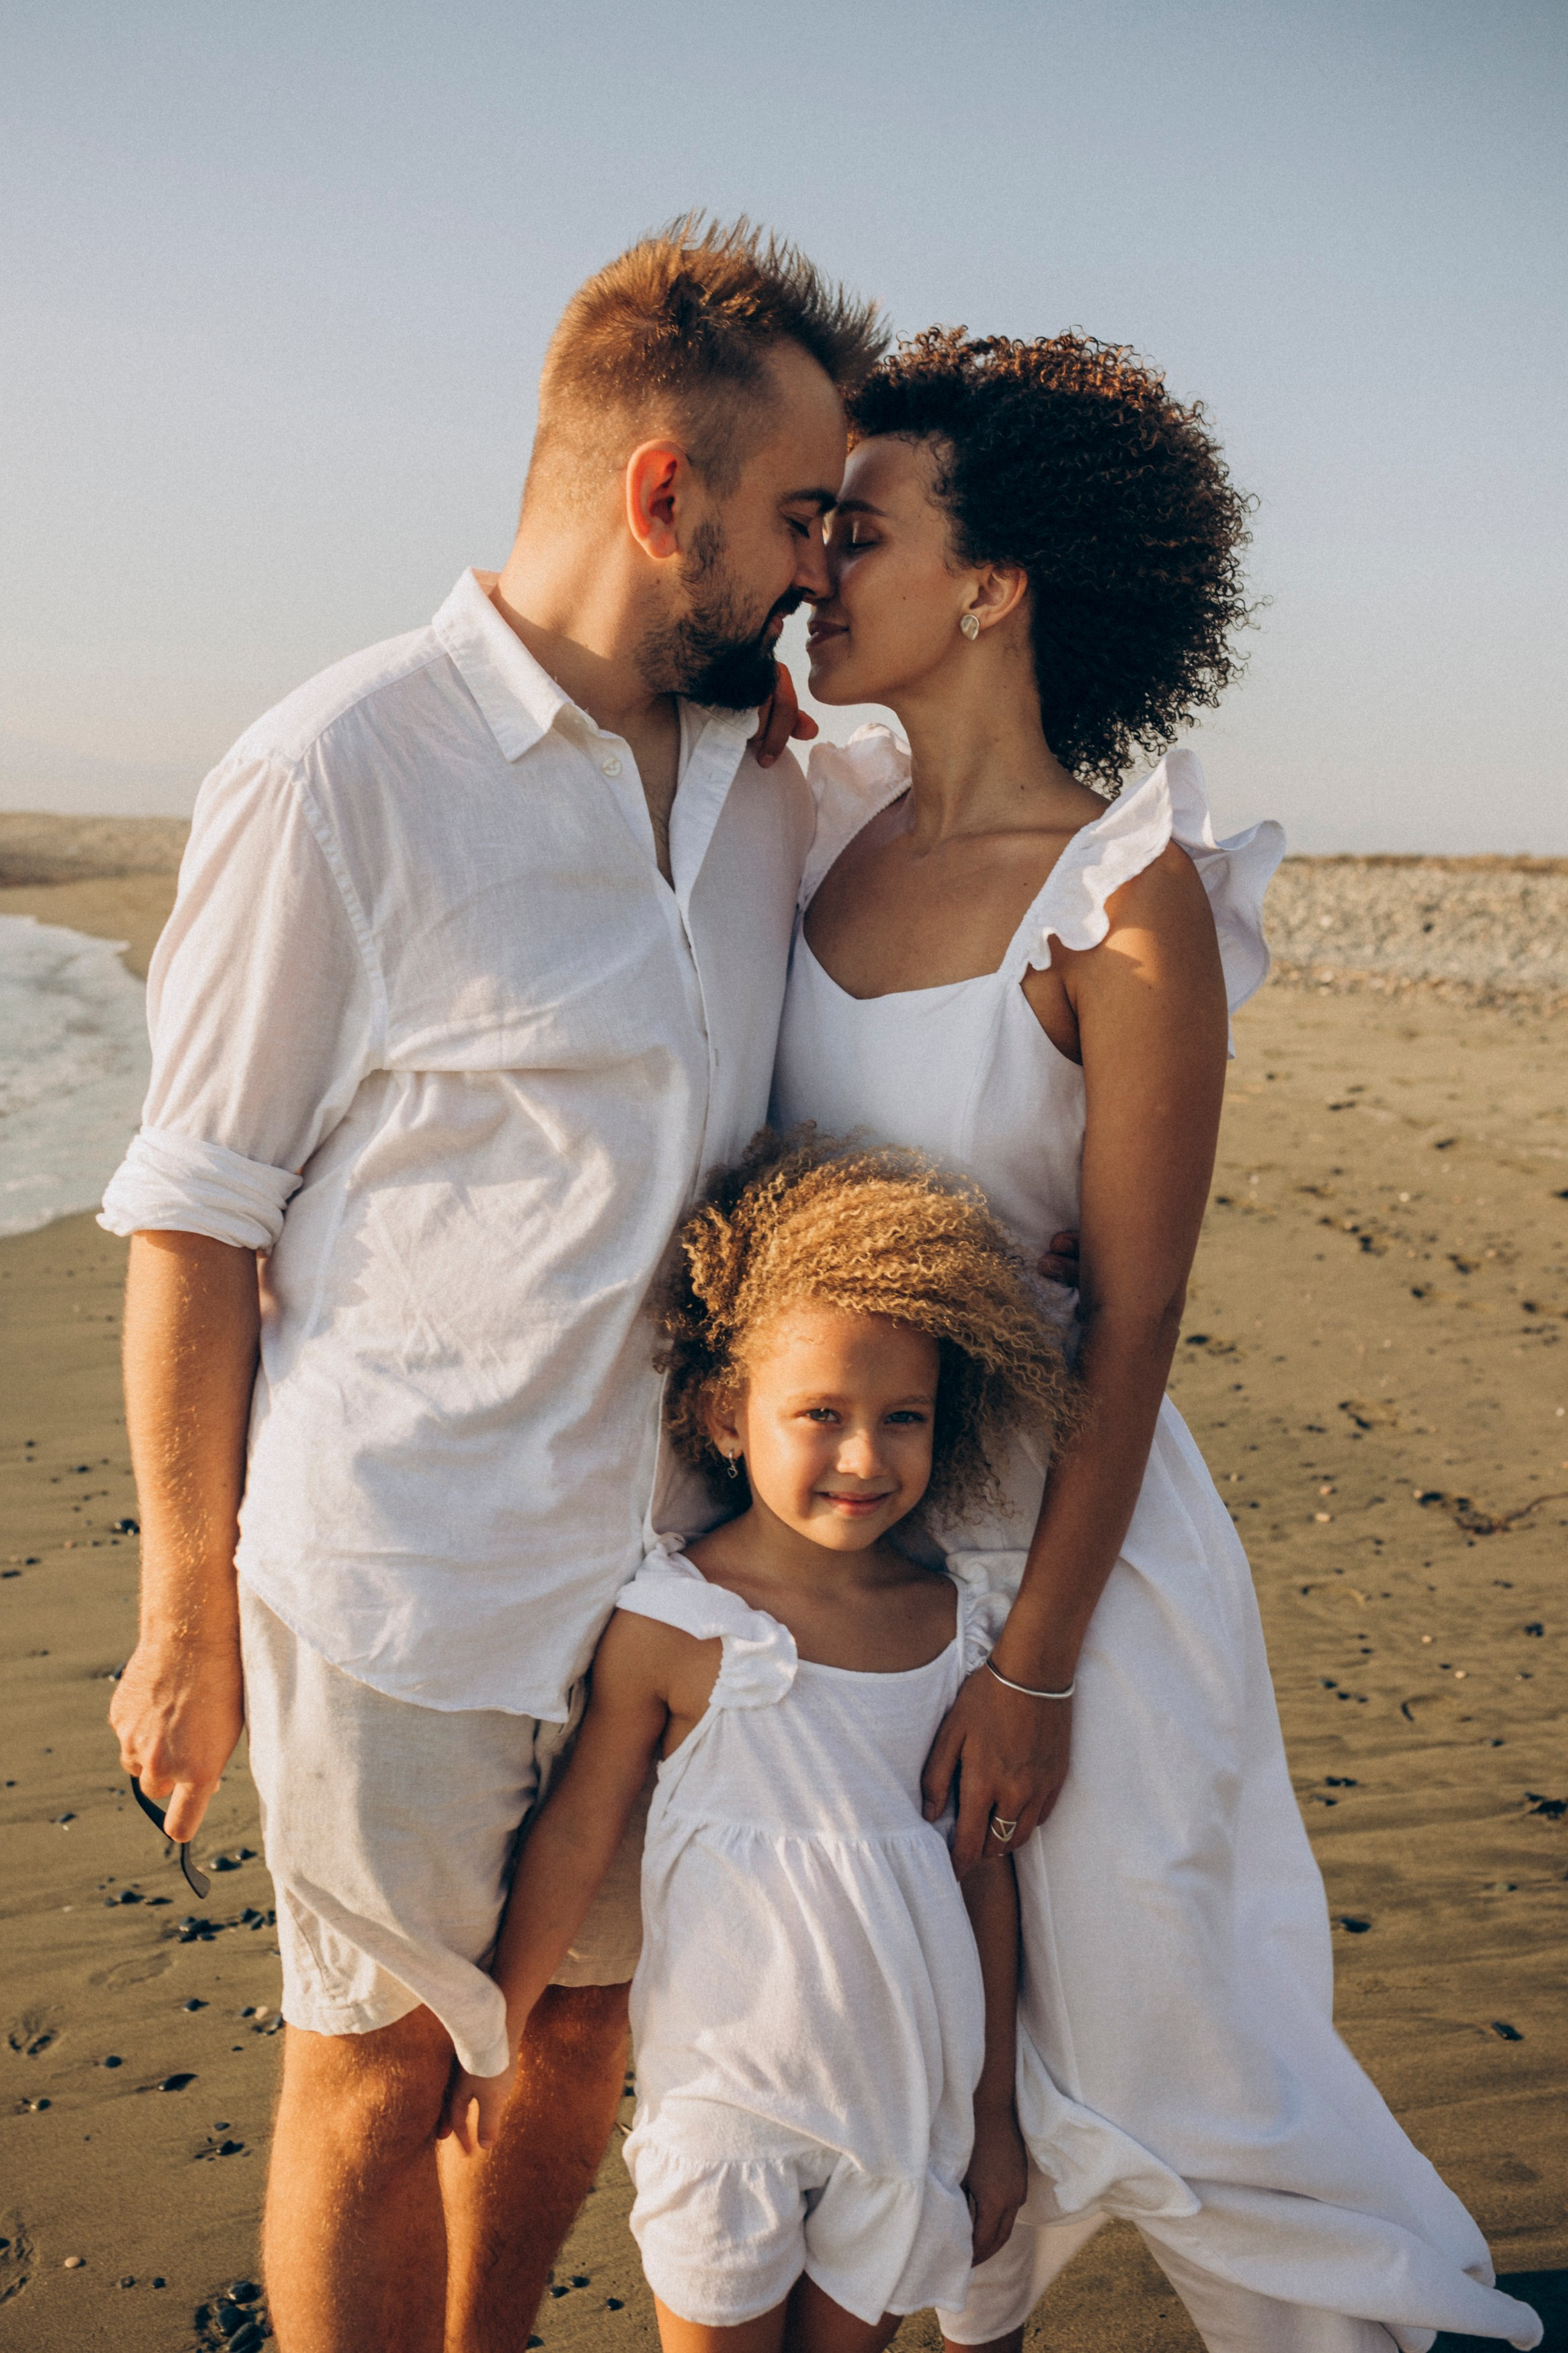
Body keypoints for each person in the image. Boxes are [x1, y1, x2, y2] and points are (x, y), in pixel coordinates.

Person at [97, 216, 884, 2353]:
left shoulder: (767, 785)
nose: (823, 565)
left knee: (571, 2050)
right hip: (397, 1584)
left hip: (659, 1587)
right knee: (375, 2073)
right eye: (802, 516)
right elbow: (194, 1212)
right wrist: (185, 1614)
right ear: (662, 494)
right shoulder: (337, 769)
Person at [772, 329, 1542, 2352]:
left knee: (1177, 2069)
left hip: (1068, 1574)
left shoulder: (1124, 903)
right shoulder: (807, 822)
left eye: (858, 529)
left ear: (993, 583)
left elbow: (1136, 1315)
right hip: (828, 1561)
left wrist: (1033, 1664)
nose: (813, 566)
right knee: (914, 2101)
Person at [443, 1133, 1082, 2352]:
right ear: (728, 1415)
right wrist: (498, 2029)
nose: (863, 1457)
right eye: (819, 1416)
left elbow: (981, 1871)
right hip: (726, 2107)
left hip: (908, 2115)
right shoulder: (678, 1622)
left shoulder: (956, 1634)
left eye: (904, 1418)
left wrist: (993, 2116)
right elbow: (581, 1829)